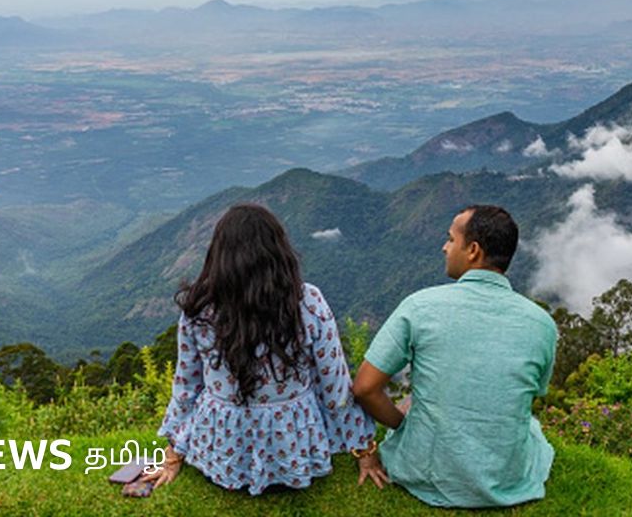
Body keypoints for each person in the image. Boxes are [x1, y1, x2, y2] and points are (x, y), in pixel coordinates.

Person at [143, 203, 385, 494]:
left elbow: (186, 386)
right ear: (279, 252)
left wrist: (173, 454)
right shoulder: (307, 302)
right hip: (292, 445)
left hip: (222, 448)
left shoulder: (199, 309)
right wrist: (365, 450)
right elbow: (334, 384)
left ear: (218, 255)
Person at [352, 205, 558, 508]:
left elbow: (364, 388)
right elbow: (532, 392)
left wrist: (402, 425)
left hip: (425, 472)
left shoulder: (420, 307)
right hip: (507, 477)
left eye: (451, 239)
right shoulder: (542, 324)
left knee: (411, 403)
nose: (444, 247)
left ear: (473, 250)